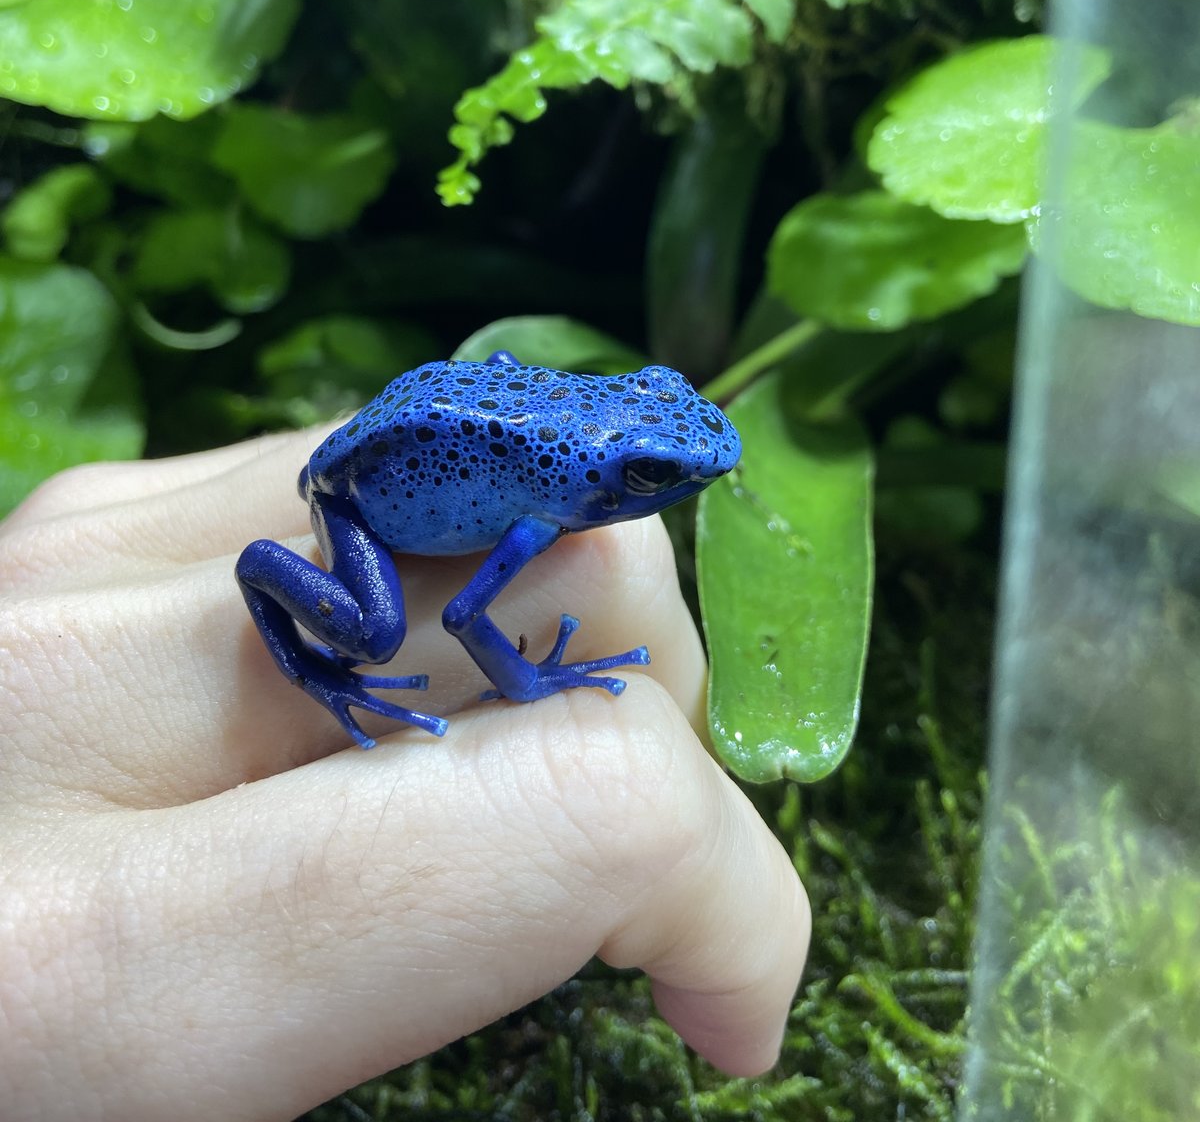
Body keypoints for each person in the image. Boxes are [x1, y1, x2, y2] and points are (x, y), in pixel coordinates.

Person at [0, 426, 810, 1120]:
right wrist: (529, 683)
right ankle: (308, 660)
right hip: (350, 499)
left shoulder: (554, 492)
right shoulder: (541, 515)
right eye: (650, 476)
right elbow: (462, 614)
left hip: (402, 438)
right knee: (378, 634)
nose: (675, 486)